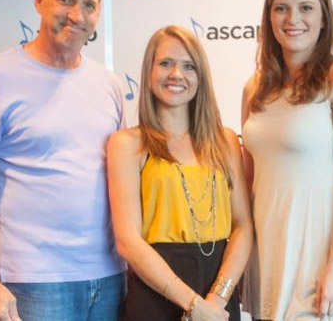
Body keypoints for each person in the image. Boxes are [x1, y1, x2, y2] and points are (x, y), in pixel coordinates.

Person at [0, 0, 126, 321]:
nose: (77, 14)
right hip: (34, 284)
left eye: (89, 4)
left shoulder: (109, 85)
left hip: (112, 278)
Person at [241, 0, 333, 320]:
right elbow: (249, 180)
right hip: (268, 257)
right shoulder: (255, 88)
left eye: (305, 8)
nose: (292, 19)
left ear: (324, 18)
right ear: (269, 16)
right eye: (280, 7)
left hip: (320, 262)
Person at [107, 25, 253, 321]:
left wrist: (216, 299)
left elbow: (243, 227)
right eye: (165, 63)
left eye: (188, 66)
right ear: (148, 72)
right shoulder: (127, 144)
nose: (176, 74)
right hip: (156, 294)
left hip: (218, 298)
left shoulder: (225, 140)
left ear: (201, 77)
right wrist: (193, 305)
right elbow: (128, 240)